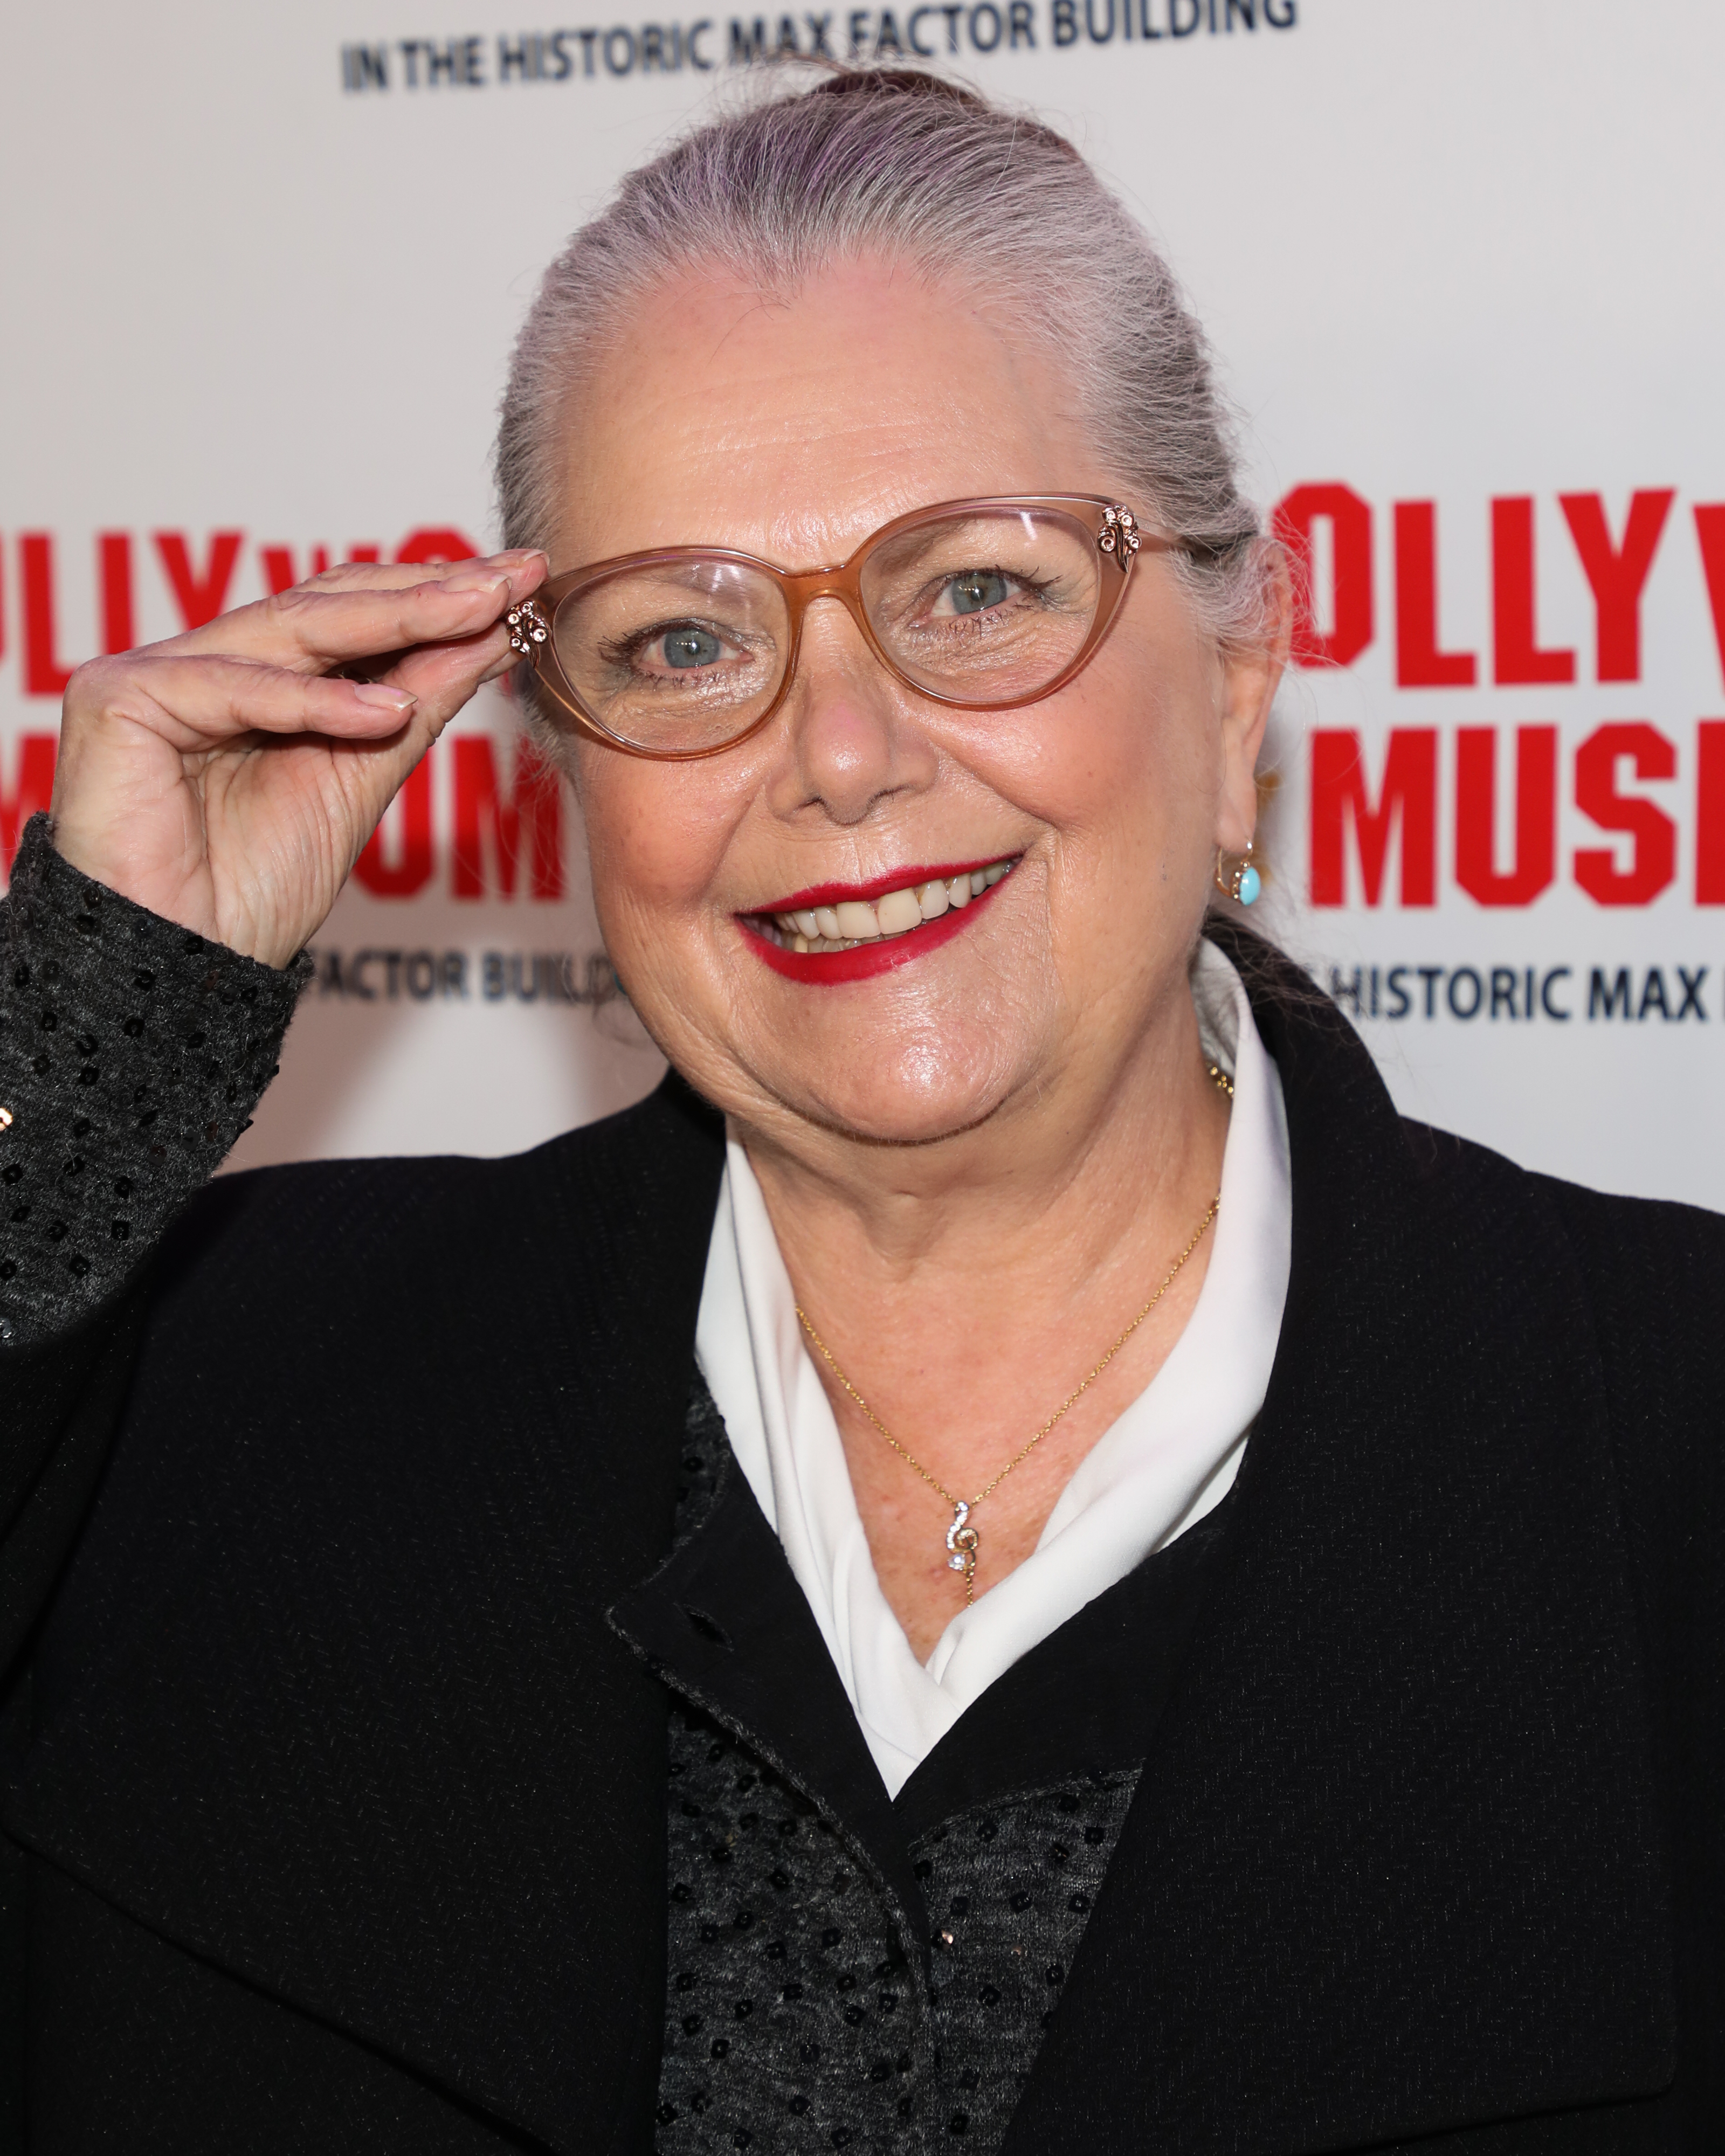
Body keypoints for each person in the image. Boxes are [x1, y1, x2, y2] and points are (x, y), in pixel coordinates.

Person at [0, 65, 1717, 2156]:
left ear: (1241, 665)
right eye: (680, 636)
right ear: (567, 754)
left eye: (975, 588)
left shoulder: (1667, 1448)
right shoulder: (209, 1393)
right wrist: (81, 1055)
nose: (830, 753)